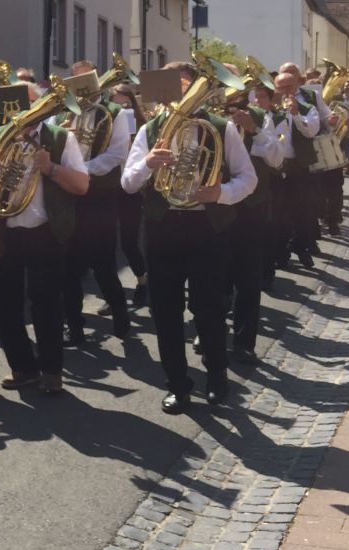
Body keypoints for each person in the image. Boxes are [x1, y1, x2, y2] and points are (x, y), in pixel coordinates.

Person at [120, 61, 257, 415]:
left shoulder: (220, 128)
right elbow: (128, 182)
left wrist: (221, 193)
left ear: (198, 87)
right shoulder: (150, 130)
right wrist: (148, 162)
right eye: (171, 84)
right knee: (165, 313)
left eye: (184, 84)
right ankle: (177, 385)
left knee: (208, 309)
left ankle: (217, 377)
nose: (177, 91)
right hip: (162, 230)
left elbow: (248, 179)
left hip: (206, 229)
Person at [0, 85, 90, 395]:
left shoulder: (62, 138)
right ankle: (22, 367)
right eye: (23, 105)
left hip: (45, 233)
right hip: (3, 231)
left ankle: (51, 371)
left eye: (34, 105)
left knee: (45, 305)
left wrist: (50, 168)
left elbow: (82, 185)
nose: (27, 111)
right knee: (4, 305)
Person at [57, 60, 132, 346]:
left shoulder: (115, 113)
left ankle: (120, 314)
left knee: (103, 263)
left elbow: (116, 154)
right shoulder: (65, 111)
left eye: (86, 80)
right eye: (75, 81)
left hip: (99, 196)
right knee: (69, 266)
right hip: (70, 196)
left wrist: (81, 170)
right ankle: (73, 325)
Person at [224, 87, 284, 366]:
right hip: (215, 208)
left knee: (247, 280)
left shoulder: (261, 118)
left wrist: (255, 129)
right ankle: (208, 328)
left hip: (251, 208)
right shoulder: (209, 118)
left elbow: (276, 158)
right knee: (213, 277)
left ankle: (244, 342)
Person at [272, 71, 323, 269]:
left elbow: (311, 131)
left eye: (288, 87)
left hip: (298, 164)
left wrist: (295, 113)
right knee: (278, 212)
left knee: (302, 210)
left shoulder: (308, 107)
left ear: (297, 87)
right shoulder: (271, 108)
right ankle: (280, 253)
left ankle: (302, 248)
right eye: (280, 88)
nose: (284, 91)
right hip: (276, 165)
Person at [109, 83, 149, 307]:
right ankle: (113, 293)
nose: (120, 105)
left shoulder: (142, 126)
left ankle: (142, 280)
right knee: (107, 243)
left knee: (128, 242)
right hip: (109, 187)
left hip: (130, 189)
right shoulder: (106, 122)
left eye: (124, 101)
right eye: (115, 101)